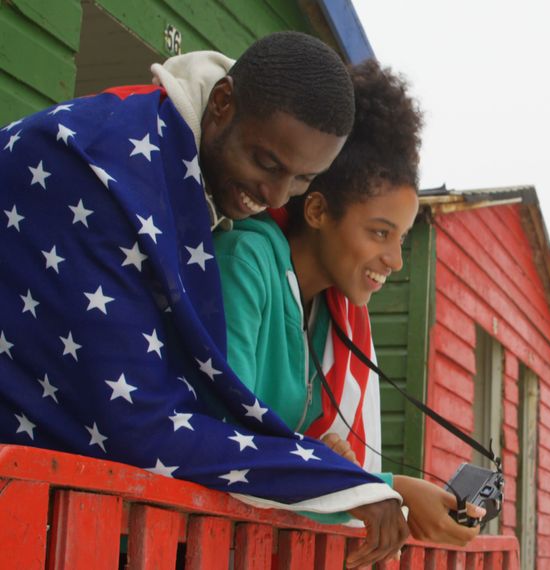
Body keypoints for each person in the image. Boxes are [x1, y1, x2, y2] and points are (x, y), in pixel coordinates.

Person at [0, 32, 405, 566]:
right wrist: (339, 481)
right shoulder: (99, 171)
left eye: (303, 179)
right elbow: (139, 422)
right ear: (222, 102)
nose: (277, 197)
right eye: (267, 163)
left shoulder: (178, 175)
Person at [215, 60, 483, 553]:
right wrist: (388, 486)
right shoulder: (246, 261)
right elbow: (226, 439)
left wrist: (331, 462)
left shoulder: (335, 316)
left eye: (401, 237)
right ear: (317, 211)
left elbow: (295, 448)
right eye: (380, 232)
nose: (395, 259)